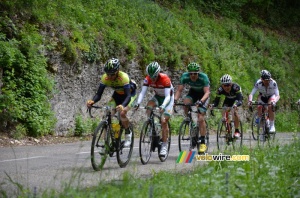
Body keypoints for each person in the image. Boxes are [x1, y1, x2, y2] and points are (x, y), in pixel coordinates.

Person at [87, 58, 137, 147]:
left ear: (117, 71)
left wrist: (122, 105)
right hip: (117, 95)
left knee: (122, 113)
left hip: (130, 95)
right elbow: (99, 94)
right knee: (107, 114)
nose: (109, 77)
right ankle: (106, 142)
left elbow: (128, 96)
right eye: (108, 74)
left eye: (112, 74)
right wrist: (92, 101)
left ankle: (128, 133)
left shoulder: (123, 77)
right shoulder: (105, 78)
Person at [134, 61, 174, 157]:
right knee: (149, 106)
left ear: (158, 73)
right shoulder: (148, 79)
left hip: (168, 99)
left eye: (154, 77)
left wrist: (163, 106)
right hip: (157, 96)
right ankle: (152, 124)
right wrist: (138, 103)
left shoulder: (165, 79)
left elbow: (168, 96)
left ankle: (164, 145)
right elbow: (142, 93)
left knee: (164, 121)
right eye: (151, 76)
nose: (153, 79)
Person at [174, 62, 210, 154]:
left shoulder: (203, 77)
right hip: (193, 93)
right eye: (191, 73)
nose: (193, 75)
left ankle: (202, 142)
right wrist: (174, 101)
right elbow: (179, 90)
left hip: (203, 95)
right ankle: (191, 122)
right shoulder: (184, 76)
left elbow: (207, 92)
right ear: (188, 73)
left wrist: (201, 101)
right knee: (186, 103)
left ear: (198, 73)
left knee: (201, 118)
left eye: (195, 73)